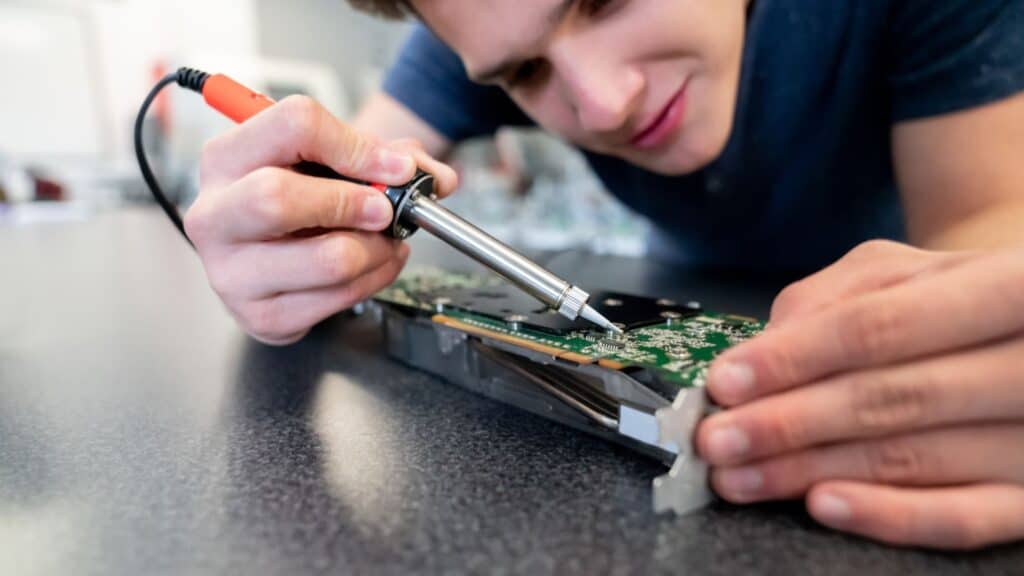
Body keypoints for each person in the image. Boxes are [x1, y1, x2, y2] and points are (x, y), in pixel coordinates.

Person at [183, 0, 1024, 549]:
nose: (604, 102)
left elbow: (987, 248)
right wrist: (279, 240)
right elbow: (324, 182)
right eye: (527, 75)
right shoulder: (480, 23)